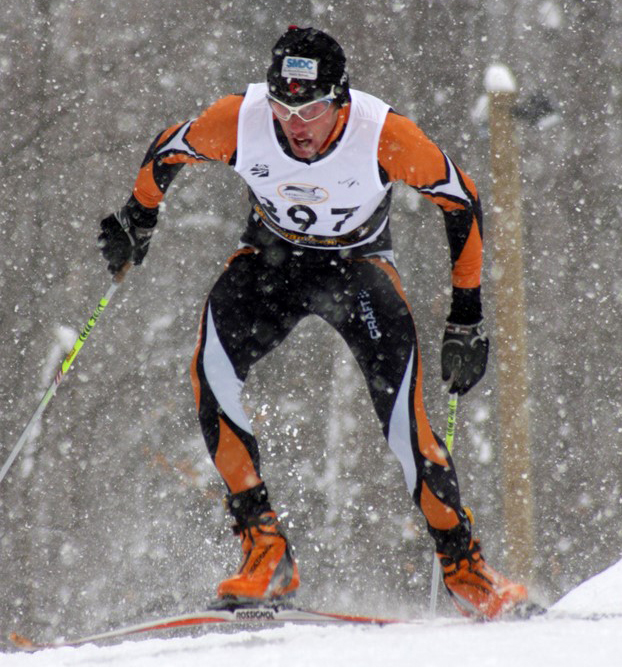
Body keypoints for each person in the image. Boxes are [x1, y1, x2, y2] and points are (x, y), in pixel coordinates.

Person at [98, 25, 529, 618]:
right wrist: (136, 219)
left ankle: (466, 569)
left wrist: (467, 317)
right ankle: (265, 549)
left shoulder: (383, 133)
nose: (297, 125)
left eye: (314, 108)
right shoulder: (240, 120)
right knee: (209, 374)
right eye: (283, 106)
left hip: (358, 270)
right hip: (270, 261)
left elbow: (461, 200)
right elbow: (169, 150)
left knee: (405, 421)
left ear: (341, 100)